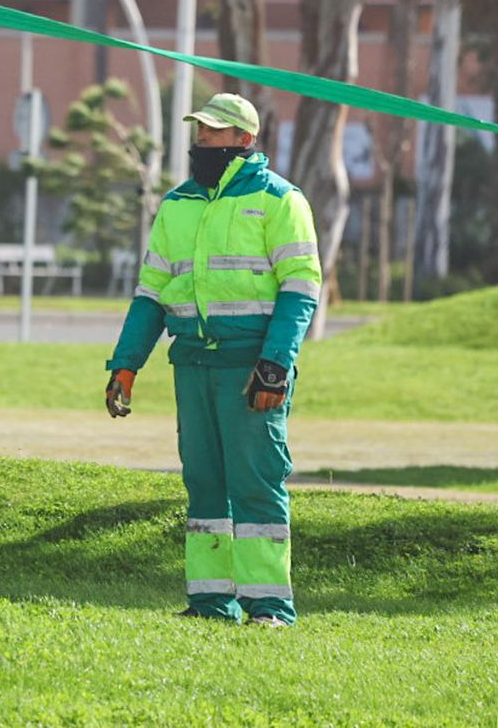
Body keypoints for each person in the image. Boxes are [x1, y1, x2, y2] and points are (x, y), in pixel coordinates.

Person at [104, 92, 321, 626]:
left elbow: (300, 288)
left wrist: (275, 363)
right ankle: (209, 602)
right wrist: (125, 364)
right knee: (203, 481)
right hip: (194, 363)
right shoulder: (176, 204)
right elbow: (152, 291)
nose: (204, 141)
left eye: (215, 133)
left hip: (251, 367)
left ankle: (270, 605)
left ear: (246, 140)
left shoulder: (279, 200)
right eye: (200, 131)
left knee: (256, 483)